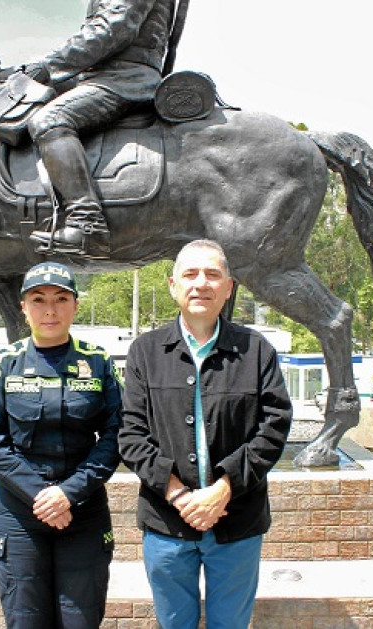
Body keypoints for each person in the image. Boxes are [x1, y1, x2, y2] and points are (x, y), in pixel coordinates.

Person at [118, 239, 293, 628]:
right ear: (173, 285)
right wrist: (179, 495)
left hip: (237, 522)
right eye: (190, 274)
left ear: (228, 287)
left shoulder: (256, 350)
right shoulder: (145, 352)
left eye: (213, 274)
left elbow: (274, 427)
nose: (201, 283)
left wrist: (223, 489)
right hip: (167, 523)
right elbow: (131, 435)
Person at [0, 261, 123, 628]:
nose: (50, 310)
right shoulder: (3, 364)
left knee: (80, 621)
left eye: (61, 299)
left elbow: (116, 435)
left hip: (83, 512)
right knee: (25, 619)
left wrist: (68, 493)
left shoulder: (98, 361)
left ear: (76, 305)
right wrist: (43, 496)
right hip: (19, 515)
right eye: (38, 299)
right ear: (23, 308)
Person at [22, 0, 176, 258]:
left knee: (49, 119)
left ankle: (87, 222)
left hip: (124, 78)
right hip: (105, 75)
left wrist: (50, 65)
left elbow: (113, 27)